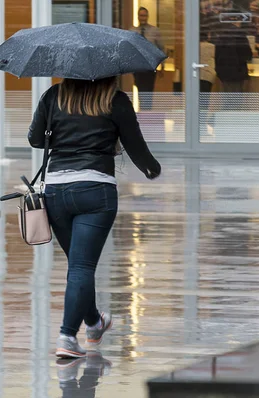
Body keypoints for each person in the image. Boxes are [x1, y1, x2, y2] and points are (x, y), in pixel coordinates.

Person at [28, 78, 161, 359]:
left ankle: (94, 323)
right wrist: (152, 169)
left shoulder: (54, 96)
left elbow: (35, 139)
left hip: (57, 192)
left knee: (78, 267)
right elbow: (134, 144)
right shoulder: (115, 99)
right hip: (95, 190)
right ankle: (66, 336)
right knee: (82, 267)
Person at [130, 7, 164, 110]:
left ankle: (147, 111)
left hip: (150, 66)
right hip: (138, 67)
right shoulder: (132, 31)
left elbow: (161, 49)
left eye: (144, 15)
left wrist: (162, 66)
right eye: (141, 15)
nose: (142, 17)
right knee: (140, 90)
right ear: (138, 16)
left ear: (147, 16)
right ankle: (143, 111)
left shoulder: (155, 31)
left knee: (148, 90)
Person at [199, 28, 216, 125]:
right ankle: (202, 126)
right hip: (207, 76)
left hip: (197, 75)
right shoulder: (211, 47)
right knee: (205, 102)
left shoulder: (194, 46)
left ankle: (198, 125)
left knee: (199, 101)